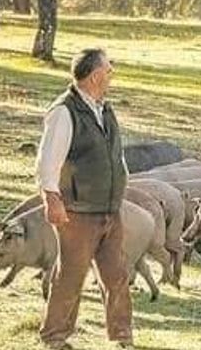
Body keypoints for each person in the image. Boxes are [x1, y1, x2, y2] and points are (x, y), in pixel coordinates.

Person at [35, 48, 133, 350]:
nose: (112, 75)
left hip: (109, 210)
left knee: (117, 275)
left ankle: (122, 336)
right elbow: (47, 162)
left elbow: (114, 155)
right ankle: (54, 337)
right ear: (95, 76)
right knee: (71, 277)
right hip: (77, 212)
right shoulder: (64, 111)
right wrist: (51, 199)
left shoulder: (104, 109)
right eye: (108, 70)